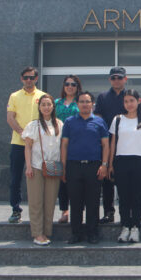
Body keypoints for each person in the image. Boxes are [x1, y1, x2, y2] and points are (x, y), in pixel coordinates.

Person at [61, 91, 109, 244]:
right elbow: (64, 145)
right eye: (82, 101)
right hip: (73, 165)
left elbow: (106, 145)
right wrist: (63, 166)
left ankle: (92, 233)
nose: (85, 104)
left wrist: (104, 165)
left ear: (92, 104)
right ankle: (76, 233)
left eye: (88, 101)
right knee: (75, 202)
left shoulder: (99, 122)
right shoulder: (69, 122)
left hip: (94, 166)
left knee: (93, 202)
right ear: (77, 104)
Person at [108, 89, 141, 243]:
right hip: (121, 161)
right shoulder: (118, 119)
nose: (129, 104)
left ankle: (135, 227)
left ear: (138, 101)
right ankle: (125, 227)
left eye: (132, 101)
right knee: (123, 197)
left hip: (139, 161)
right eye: (126, 101)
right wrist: (109, 164)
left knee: (137, 197)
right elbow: (113, 144)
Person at [21, 94, 63, 246]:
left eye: (49, 104)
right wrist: (29, 166)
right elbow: (27, 147)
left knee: (50, 201)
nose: (46, 107)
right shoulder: (33, 125)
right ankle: (37, 233)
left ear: (53, 106)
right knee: (36, 201)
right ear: (39, 107)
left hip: (53, 167)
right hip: (36, 166)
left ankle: (47, 231)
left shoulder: (59, 124)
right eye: (43, 104)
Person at [6, 66, 44, 223]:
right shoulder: (14, 96)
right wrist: (23, 134)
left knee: (39, 177)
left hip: (37, 144)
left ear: (36, 78)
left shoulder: (43, 96)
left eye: (32, 77)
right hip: (18, 143)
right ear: (22, 79)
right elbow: (10, 118)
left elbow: (46, 117)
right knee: (15, 178)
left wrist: (34, 137)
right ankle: (15, 210)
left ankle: (39, 210)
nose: (29, 80)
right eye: (26, 77)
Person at [94, 67, 127, 223]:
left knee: (123, 180)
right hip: (106, 143)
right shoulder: (102, 97)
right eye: (113, 78)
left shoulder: (130, 96)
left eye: (119, 78)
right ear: (109, 80)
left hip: (126, 144)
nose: (116, 80)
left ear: (125, 79)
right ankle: (109, 212)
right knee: (107, 180)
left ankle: (126, 212)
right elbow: (98, 119)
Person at [54, 75, 82, 224]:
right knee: (62, 178)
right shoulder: (56, 103)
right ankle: (64, 210)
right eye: (67, 84)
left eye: (73, 84)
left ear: (78, 87)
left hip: (76, 145)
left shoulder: (81, 102)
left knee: (76, 179)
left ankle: (77, 210)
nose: (70, 87)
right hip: (57, 145)